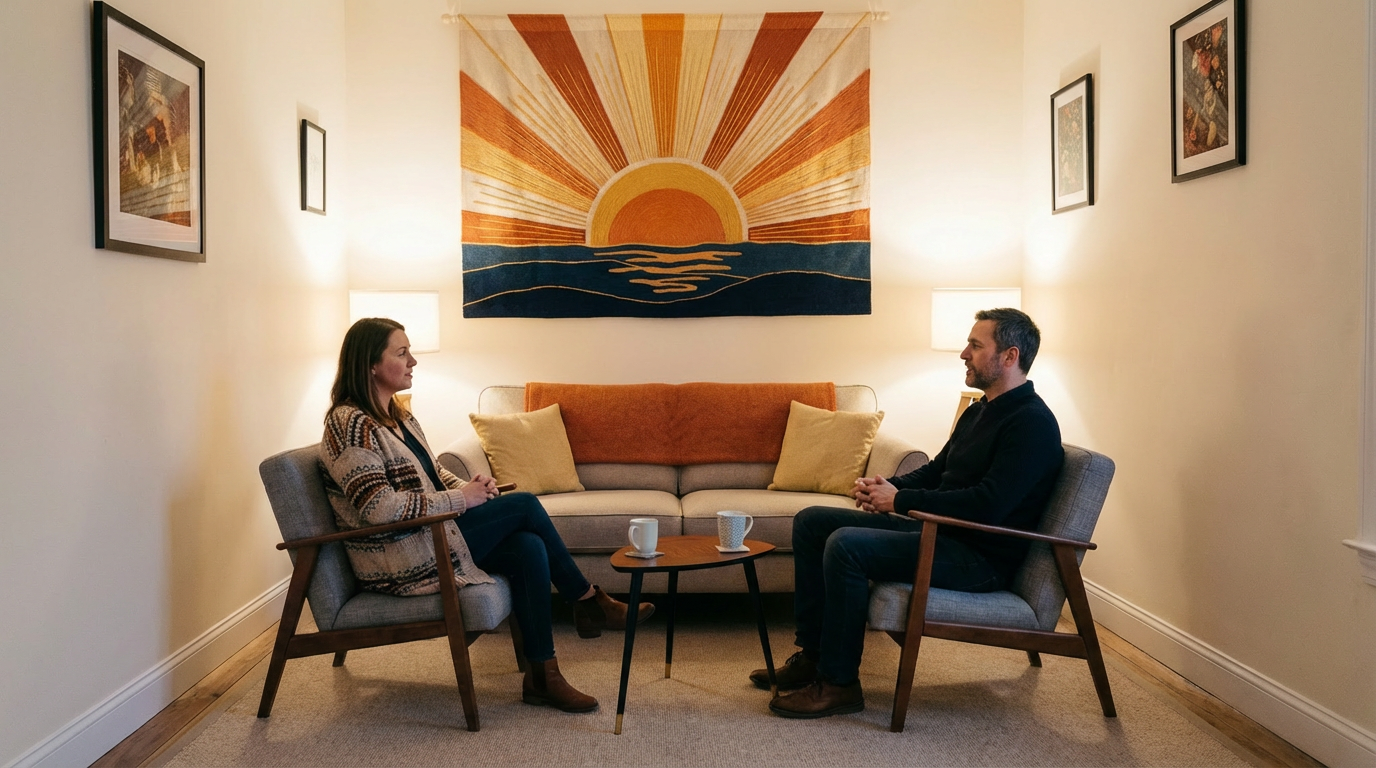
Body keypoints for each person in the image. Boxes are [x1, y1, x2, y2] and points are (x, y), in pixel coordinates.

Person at [319, 317, 654, 714]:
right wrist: (463, 500)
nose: (413, 362)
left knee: (529, 546)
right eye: (402, 352)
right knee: (526, 504)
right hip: (403, 555)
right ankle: (587, 599)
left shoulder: (399, 415)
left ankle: (543, 677)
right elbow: (379, 508)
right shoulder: (349, 424)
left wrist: (468, 486)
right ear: (371, 364)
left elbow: (430, 475)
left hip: (429, 537)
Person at [756, 308, 1065, 718]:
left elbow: (987, 504)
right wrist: (890, 486)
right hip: (941, 535)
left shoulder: (1032, 424)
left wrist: (899, 503)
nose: (963, 354)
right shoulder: (979, 410)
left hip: (980, 558)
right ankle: (813, 656)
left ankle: (839, 683)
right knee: (813, 521)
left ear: (1009, 357)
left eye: (975, 345)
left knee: (846, 546)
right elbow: (939, 471)